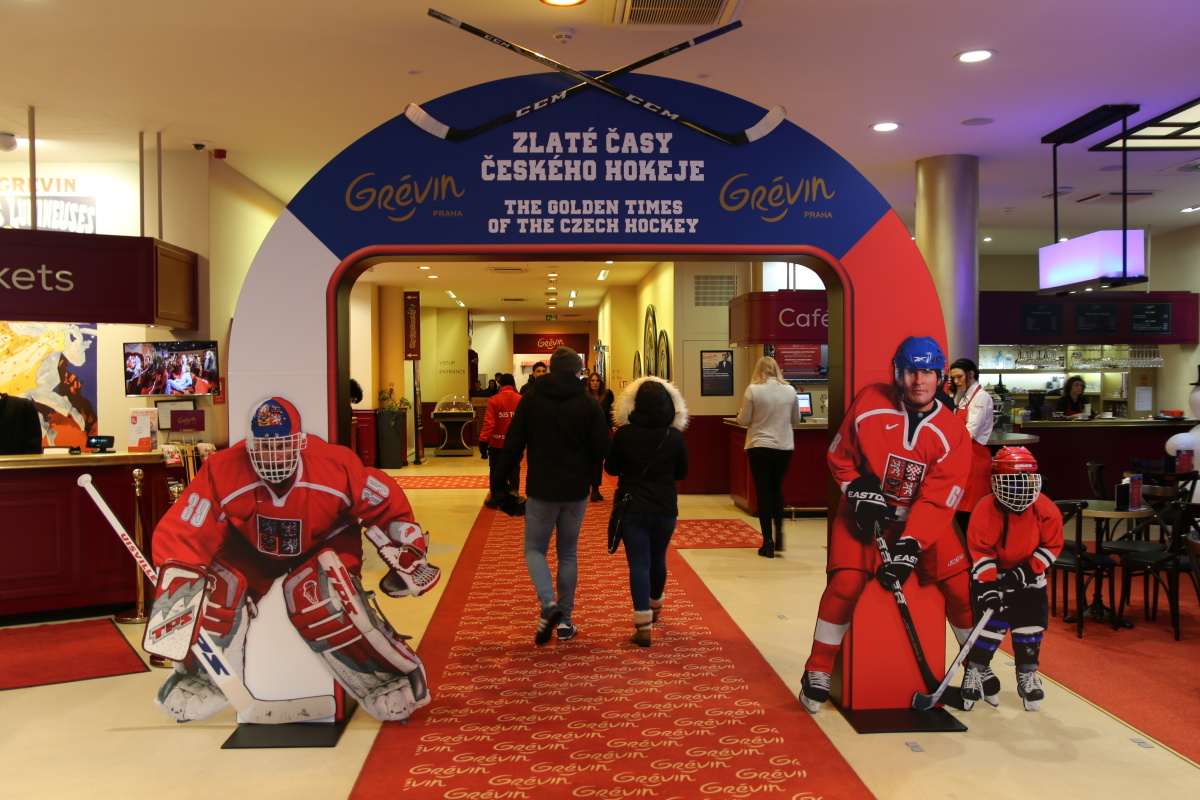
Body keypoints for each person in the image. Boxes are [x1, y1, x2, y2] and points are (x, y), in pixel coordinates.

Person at [145, 396, 441, 723]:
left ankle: (387, 678)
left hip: (322, 542)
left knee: (322, 599)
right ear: (250, 445)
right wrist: (178, 576)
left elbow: (382, 500)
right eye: (264, 447)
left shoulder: (334, 465)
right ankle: (201, 677)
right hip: (252, 549)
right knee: (216, 590)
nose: (273, 456)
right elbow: (187, 525)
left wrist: (407, 545)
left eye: (282, 445)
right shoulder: (223, 469)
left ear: (300, 442)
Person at [799, 336, 974, 714]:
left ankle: (975, 666)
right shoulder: (870, 402)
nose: (918, 380)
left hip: (923, 519)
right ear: (898, 372)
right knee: (845, 583)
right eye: (911, 371)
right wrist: (857, 488)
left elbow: (940, 496)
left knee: (961, 588)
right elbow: (839, 455)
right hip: (865, 511)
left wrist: (911, 544)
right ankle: (818, 667)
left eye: (927, 372)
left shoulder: (952, 432)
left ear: (940, 375)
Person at [502, 347, 610, 644]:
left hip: (541, 487)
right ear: (578, 371)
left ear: (550, 369)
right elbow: (602, 449)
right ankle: (565, 621)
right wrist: (592, 474)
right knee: (568, 552)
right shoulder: (588, 404)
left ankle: (548, 602)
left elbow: (513, 444)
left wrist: (499, 484)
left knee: (534, 549)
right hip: (576, 489)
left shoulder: (532, 400)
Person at [960, 447, 1063, 711]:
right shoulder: (984, 509)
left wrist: (1028, 570)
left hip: (1029, 578)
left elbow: (1052, 545)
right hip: (993, 576)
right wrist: (989, 585)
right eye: (1012, 481)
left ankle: (1027, 675)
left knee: (1030, 627)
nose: (1019, 488)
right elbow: (980, 550)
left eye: (1024, 480)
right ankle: (976, 669)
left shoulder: (1045, 509)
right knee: (989, 628)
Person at [605, 377, 688, 647]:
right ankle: (655, 606)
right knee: (658, 557)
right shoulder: (674, 436)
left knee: (639, 564)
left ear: (636, 404)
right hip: (665, 506)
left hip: (633, 506)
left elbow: (611, 468)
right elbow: (682, 472)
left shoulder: (624, 434)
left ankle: (643, 625)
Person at [735, 356, 800, 558]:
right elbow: (796, 419)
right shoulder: (790, 390)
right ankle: (779, 533)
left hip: (759, 446)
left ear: (759, 370)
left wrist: (740, 415)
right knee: (776, 489)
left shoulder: (753, 390)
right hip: (784, 446)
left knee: (763, 493)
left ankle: (767, 542)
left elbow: (744, 420)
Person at [948, 357, 995, 534]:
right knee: (960, 506)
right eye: (953, 378)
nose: (956, 381)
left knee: (972, 508)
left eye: (959, 377)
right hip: (963, 455)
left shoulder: (981, 397)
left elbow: (970, 432)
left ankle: (976, 546)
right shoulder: (963, 396)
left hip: (975, 457)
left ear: (971, 374)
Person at [480, 373, 522, 506]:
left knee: (495, 470)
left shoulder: (494, 400)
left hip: (497, 443)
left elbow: (489, 423)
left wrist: (483, 441)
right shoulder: (521, 399)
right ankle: (514, 494)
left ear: (500, 384)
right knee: (514, 469)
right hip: (515, 444)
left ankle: (496, 497)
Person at [586, 370, 615, 502]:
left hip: (602, 434)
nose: (595, 383)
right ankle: (589, 487)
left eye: (597, 380)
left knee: (598, 462)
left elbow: (610, 413)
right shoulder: (584, 396)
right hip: (587, 434)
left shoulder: (607, 395)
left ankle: (595, 489)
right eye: (592, 380)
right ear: (589, 382)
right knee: (588, 462)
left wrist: (612, 425)